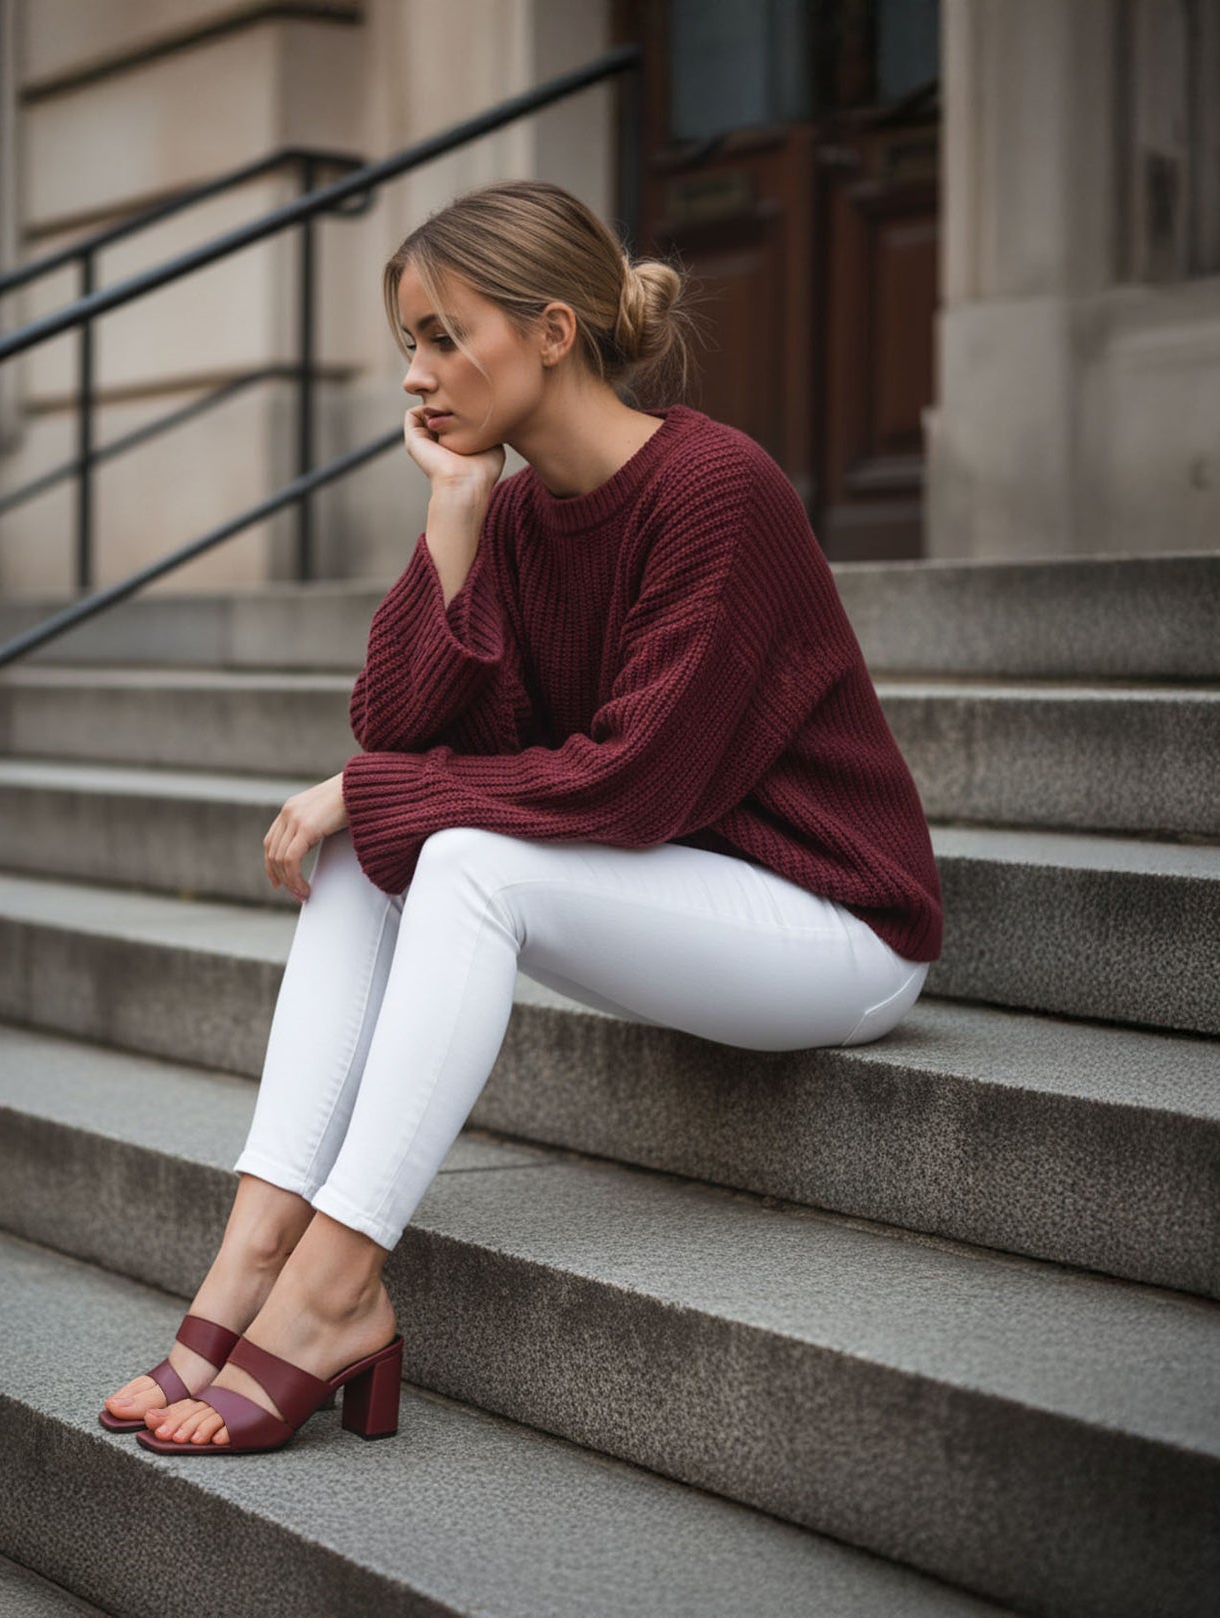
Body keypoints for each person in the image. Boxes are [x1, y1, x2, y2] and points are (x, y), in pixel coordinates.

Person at [100, 178, 944, 1456]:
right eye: (408, 346)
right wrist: (450, 517)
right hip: (666, 885)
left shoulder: (716, 489)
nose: (418, 376)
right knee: (373, 842)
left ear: (552, 331)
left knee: (448, 852)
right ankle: (251, 1255)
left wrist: (370, 788)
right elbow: (398, 731)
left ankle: (333, 1291)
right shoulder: (505, 512)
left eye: (447, 336)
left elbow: (629, 781)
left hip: (831, 923)